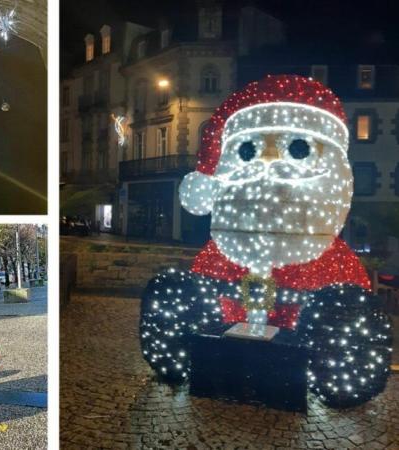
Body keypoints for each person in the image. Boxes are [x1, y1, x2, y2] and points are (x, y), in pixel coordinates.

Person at [140, 75, 392, 408]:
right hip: (227, 325)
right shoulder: (218, 255)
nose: (269, 165)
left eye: (298, 148)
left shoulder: (332, 261)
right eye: (248, 150)